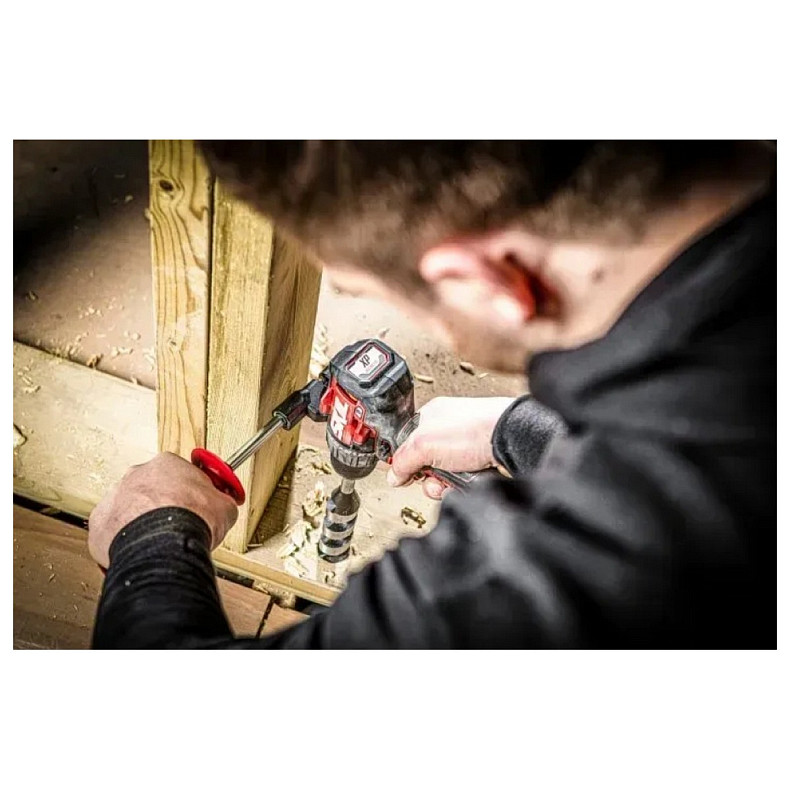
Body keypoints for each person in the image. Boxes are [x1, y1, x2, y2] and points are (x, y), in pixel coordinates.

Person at [89, 141, 776, 648]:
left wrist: (150, 535)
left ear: (482, 282)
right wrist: (522, 429)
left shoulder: (586, 566)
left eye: (366, 289)